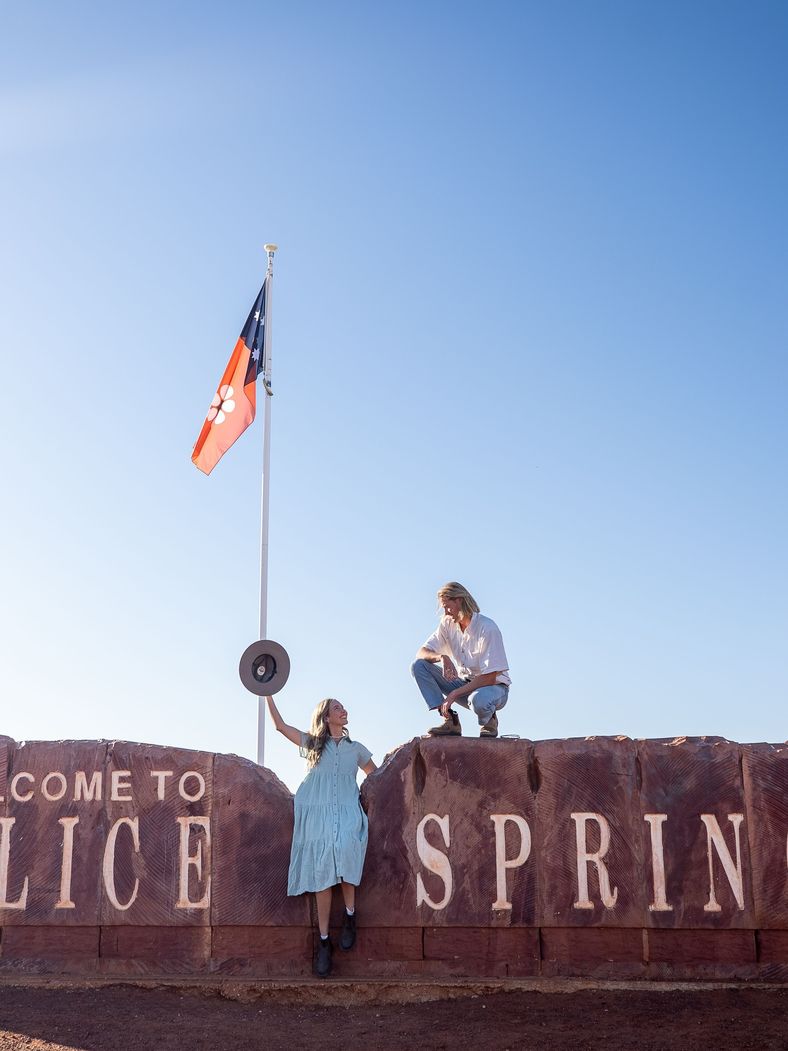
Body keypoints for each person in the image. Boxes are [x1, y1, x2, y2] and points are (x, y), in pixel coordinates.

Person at [265, 693, 376, 978]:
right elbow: (279, 726)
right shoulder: (314, 744)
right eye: (336, 708)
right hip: (317, 814)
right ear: (326, 718)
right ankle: (324, 942)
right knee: (323, 873)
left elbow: (375, 776)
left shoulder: (356, 748)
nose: (343, 710)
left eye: (342, 707)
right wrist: (268, 690)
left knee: (348, 848)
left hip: (348, 811)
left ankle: (351, 917)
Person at [411, 581, 511, 738]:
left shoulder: (487, 627)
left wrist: (454, 694)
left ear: (459, 600)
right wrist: (441, 657)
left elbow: (491, 677)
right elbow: (421, 652)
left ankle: (489, 721)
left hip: (493, 688)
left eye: (447, 606)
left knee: (479, 699)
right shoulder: (447, 624)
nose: (445, 612)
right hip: (464, 684)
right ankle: (450, 721)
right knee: (419, 666)